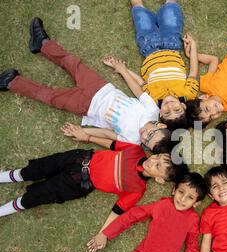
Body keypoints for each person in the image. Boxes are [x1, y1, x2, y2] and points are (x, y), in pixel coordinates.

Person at [0, 18, 174, 153]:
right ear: (161, 125)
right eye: (150, 134)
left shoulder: (132, 140)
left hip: (87, 106)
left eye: (146, 141)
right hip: (101, 88)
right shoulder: (152, 111)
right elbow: (138, 91)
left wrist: (86, 134)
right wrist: (122, 70)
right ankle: (43, 44)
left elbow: (108, 135)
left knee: (51, 96)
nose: (144, 136)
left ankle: (12, 82)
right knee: (73, 63)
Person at [0, 123, 188, 241]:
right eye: (157, 158)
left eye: (157, 167)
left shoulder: (137, 189)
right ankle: (9, 176)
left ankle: (7, 209)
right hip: (78, 158)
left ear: (159, 179)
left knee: (40, 195)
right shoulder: (136, 151)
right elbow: (111, 144)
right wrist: (87, 137)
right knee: (36, 169)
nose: (152, 161)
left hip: (77, 183)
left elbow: (116, 212)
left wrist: (103, 234)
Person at [87, 173, 207, 252]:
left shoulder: (192, 219)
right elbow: (133, 215)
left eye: (190, 197)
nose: (182, 199)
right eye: (181, 192)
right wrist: (105, 233)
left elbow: (191, 247)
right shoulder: (162, 205)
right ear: (173, 190)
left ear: (196, 203)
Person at [129, 0, 200, 129]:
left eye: (167, 112)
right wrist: (193, 46)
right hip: (172, 44)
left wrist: (122, 69)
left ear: (160, 113)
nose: (170, 106)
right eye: (177, 110)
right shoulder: (188, 93)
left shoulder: (152, 98)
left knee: (139, 12)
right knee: (170, 10)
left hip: (149, 46)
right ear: (183, 106)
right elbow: (193, 71)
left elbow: (140, 82)